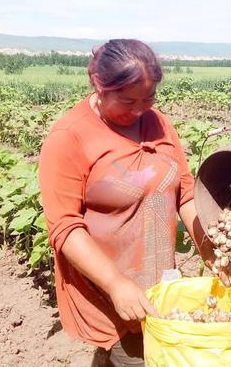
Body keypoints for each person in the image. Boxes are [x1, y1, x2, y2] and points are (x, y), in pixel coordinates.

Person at [39, 39, 218, 366]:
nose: (138, 110)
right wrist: (115, 283)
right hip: (106, 287)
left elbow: (186, 192)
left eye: (148, 98)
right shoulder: (69, 136)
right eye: (126, 100)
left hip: (157, 280)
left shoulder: (158, 122)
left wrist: (208, 248)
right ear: (99, 85)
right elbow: (65, 228)